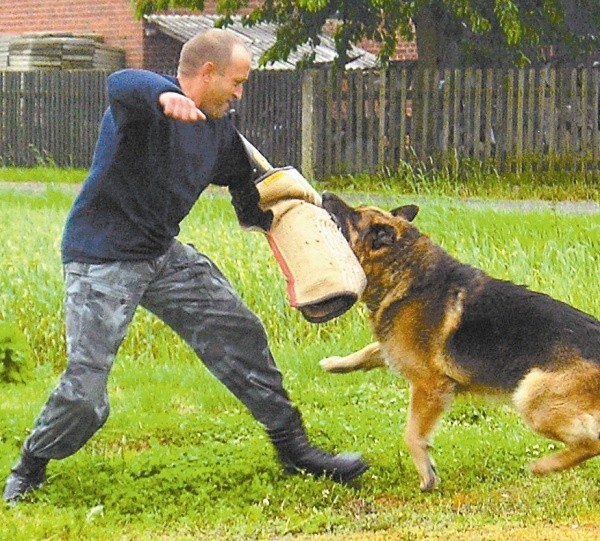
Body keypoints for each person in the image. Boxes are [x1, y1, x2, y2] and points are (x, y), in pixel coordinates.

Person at [3, 28, 369, 504]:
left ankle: (293, 448)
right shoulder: (144, 108)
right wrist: (168, 96)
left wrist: (298, 229)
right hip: (102, 259)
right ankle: (30, 466)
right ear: (208, 72)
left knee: (239, 331)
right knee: (85, 396)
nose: (240, 92)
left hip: (161, 254)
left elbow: (245, 185)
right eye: (236, 82)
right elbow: (121, 82)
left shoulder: (219, 127)